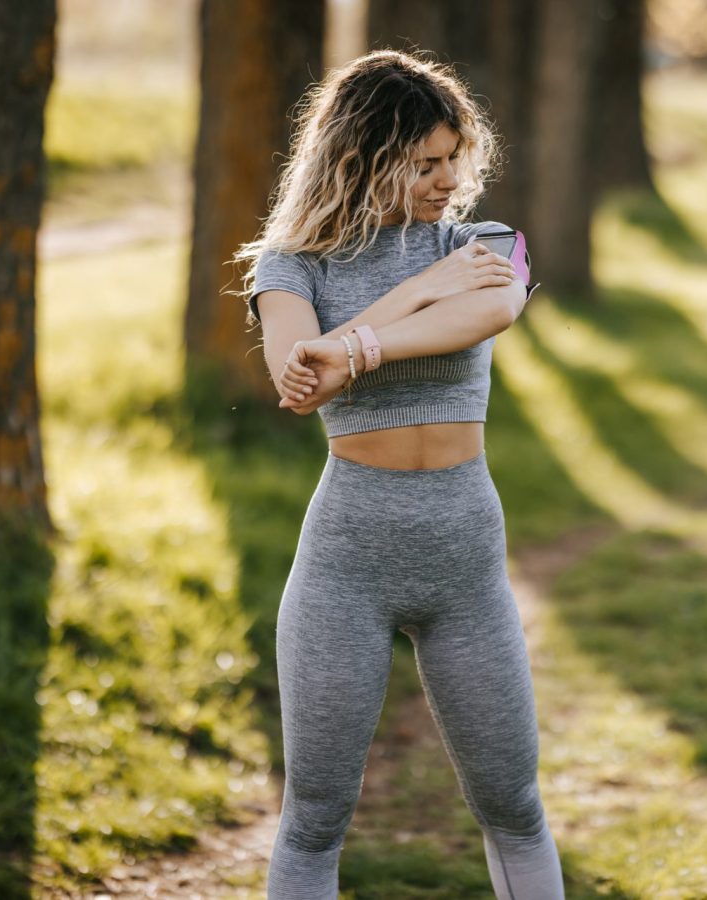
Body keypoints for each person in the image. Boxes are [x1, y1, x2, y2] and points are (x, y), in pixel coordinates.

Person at [232, 49, 562, 899]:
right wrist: (410, 297)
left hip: (467, 572)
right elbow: (299, 380)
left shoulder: (484, 245)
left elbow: (493, 307)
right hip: (346, 568)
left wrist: (359, 345)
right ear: (362, 157)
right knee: (314, 813)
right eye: (425, 162)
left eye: (454, 157)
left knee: (513, 804)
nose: (448, 178)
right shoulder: (290, 265)